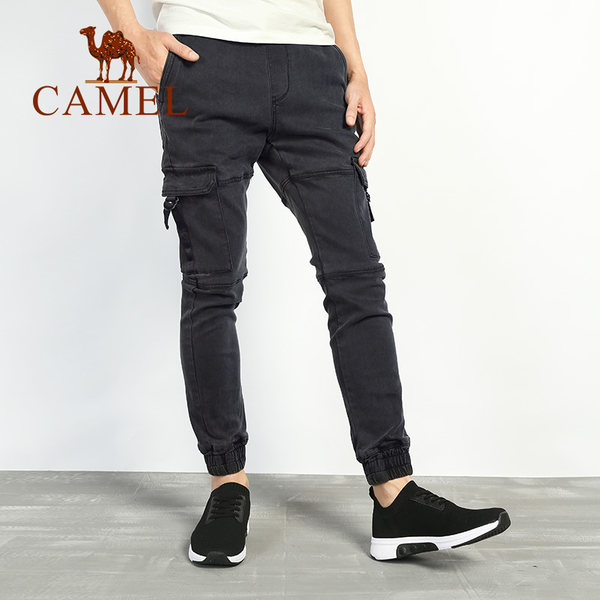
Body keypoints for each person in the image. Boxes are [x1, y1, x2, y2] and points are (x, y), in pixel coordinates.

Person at [97, 0, 511, 566]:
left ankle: (394, 494)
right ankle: (227, 486)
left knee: (357, 280)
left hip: (314, 67)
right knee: (212, 285)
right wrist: (130, 35)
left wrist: (355, 65)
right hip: (202, 58)